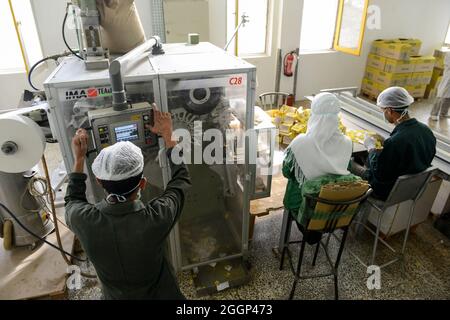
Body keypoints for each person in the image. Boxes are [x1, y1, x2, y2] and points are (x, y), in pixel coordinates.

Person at [65, 105, 191, 300]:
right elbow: (180, 180)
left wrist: (80, 157)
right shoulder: (157, 217)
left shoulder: (83, 220)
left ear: (99, 181)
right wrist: (168, 135)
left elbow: (73, 199)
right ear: (143, 183)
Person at [279, 93, 354, 247]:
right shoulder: (347, 143)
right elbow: (346, 169)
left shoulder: (301, 142)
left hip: (302, 206)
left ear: (314, 115)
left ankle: (302, 232)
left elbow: (286, 172)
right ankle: (317, 230)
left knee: (296, 188)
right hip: (334, 209)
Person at [354, 87, 436, 200]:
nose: (383, 114)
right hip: (410, 189)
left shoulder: (395, 141)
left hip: (387, 191)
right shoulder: (426, 131)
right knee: (366, 159)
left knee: (350, 164)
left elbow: (379, 173)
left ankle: (351, 205)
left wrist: (371, 148)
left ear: (389, 110)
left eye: (383, 111)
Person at [430, 51, 450, 121]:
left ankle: (443, 113)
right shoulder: (448, 53)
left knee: (448, 98)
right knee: (441, 96)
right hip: (448, 79)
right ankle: (434, 114)